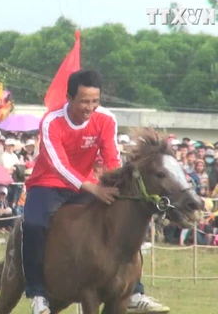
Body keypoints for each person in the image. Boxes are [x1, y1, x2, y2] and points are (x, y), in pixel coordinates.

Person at [22, 69, 170, 314]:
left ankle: (134, 291)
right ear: (69, 98)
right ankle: (37, 294)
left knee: (122, 220)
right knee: (34, 225)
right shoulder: (51, 121)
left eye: (95, 101)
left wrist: (114, 185)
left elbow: (112, 157)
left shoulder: (106, 119)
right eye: (84, 101)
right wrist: (92, 187)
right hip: (48, 184)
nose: (90, 107)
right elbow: (58, 165)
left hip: (89, 184)